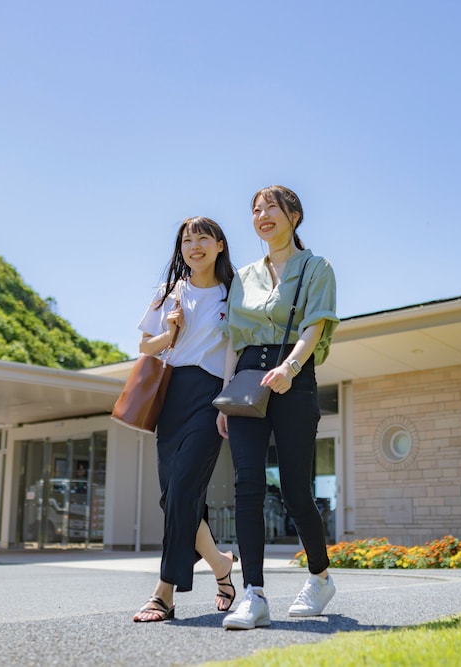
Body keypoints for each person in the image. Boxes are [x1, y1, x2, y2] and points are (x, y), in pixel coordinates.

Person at [217, 186, 339, 630]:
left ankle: (320, 577)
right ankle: (253, 594)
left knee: (294, 490)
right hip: (248, 381)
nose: (262, 215)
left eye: (271, 207)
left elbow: (315, 324)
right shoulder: (244, 276)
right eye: (255, 209)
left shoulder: (315, 268)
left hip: (294, 376)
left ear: (294, 215)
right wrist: (225, 396)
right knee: (246, 486)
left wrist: (289, 368)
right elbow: (234, 341)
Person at [132, 216, 241, 622]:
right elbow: (145, 346)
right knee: (173, 496)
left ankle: (164, 593)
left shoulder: (233, 295)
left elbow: (235, 349)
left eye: (203, 239)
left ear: (219, 246)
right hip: (172, 394)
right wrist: (171, 331)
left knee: (181, 491)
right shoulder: (168, 293)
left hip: (211, 394)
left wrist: (228, 399)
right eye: (186, 240)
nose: (194, 246)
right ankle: (221, 565)